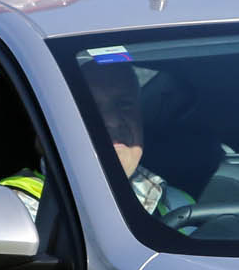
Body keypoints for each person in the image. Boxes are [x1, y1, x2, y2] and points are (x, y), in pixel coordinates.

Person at [82, 59, 195, 220]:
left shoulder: (179, 204)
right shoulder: (34, 214)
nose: (112, 121)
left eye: (124, 104)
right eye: (90, 107)